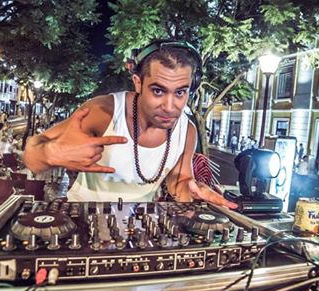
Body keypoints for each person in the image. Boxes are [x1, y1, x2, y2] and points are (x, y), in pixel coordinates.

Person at [23, 40, 236, 208]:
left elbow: (179, 181)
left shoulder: (187, 131)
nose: (170, 107)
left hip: (141, 228)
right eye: (158, 91)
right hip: (83, 219)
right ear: (138, 83)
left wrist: (193, 190)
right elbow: (31, 154)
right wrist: (51, 153)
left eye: (180, 92)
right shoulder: (102, 112)